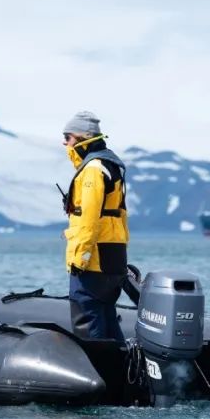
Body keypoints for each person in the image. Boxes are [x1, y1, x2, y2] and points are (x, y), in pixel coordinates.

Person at [61, 111, 129, 342]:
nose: (64, 142)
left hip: (94, 260)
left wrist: (79, 259)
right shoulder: (111, 164)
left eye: (68, 137)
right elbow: (119, 217)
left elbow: (89, 218)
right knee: (107, 316)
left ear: (81, 138)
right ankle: (121, 371)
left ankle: (98, 370)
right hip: (113, 256)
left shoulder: (92, 170)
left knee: (87, 315)